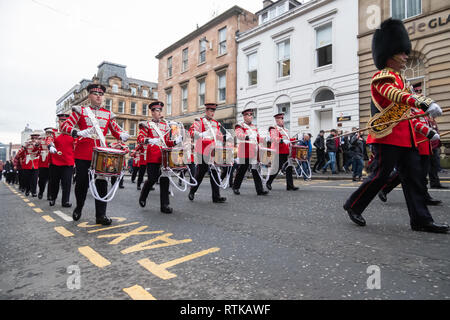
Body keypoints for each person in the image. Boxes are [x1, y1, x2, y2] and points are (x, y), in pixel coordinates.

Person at [343, 18, 448, 233]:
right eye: (402, 52)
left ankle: (421, 219)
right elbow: (397, 97)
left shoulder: (403, 81)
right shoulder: (381, 78)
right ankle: (353, 205)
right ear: (389, 54)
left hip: (407, 139)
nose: (405, 56)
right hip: (387, 137)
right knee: (380, 176)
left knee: (414, 178)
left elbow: (408, 115)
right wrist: (423, 101)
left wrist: (427, 131)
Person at [61, 84, 130, 225]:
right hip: (83, 154)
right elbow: (64, 126)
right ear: (89, 96)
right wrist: (77, 132)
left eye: (100, 94)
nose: (98, 96)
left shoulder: (108, 114)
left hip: (101, 154)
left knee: (102, 184)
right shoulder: (80, 111)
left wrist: (123, 135)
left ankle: (101, 215)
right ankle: (79, 206)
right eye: (94, 93)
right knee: (81, 183)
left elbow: (116, 130)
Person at [138, 101, 181, 213]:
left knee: (165, 179)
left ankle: (165, 205)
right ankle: (143, 195)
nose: (159, 112)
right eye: (157, 110)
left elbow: (167, 142)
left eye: (160, 110)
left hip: (164, 156)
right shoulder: (146, 125)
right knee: (152, 179)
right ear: (152, 112)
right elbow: (140, 139)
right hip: (152, 156)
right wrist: (149, 140)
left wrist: (175, 141)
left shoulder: (165, 126)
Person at [188, 103, 227, 203]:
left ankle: (216, 196)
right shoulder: (199, 121)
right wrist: (200, 134)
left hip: (213, 151)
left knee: (214, 172)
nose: (212, 113)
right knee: (201, 173)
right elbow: (191, 132)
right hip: (203, 150)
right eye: (210, 111)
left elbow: (218, 136)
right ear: (206, 111)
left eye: (213, 111)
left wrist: (223, 137)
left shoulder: (216, 123)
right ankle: (192, 191)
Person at [232, 108, 268, 196]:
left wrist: (265, 139)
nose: (251, 116)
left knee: (255, 170)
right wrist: (246, 136)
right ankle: (236, 187)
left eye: (252, 115)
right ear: (244, 116)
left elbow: (257, 138)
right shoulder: (240, 125)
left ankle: (260, 190)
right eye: (249, 115)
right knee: (242, 170)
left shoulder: (254, 127)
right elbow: (239, 134)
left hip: (254, 150)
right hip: (245, 150)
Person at [47, 114, 75, 207]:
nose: (63, 123)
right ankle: (53, 198)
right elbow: (49, 139)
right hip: (56, 162)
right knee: (54, 182)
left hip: (68, 162)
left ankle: (65, 201)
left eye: (65, 121)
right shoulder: (54, 132)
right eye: (62, 121)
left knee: (67, 183)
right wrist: (50, 146)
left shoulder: (73, 133)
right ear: (58, 122)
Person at [265, 113, 298, 191]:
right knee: (277, 168)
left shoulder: (286, 130)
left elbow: (289, 140)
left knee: (289, 168)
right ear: (277, 120)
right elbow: (274, 138)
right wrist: (282, 140)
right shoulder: (273, 128)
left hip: (287, 151)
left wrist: (296, 139)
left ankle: (290, 185)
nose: (283, 120)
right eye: (281, 119)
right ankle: (269, 182)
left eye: (283, 118)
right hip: (278, 151)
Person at [427, 117, 448, 189]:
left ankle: (435, 183)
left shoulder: (432, 119)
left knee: (434, 166)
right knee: (430, 166)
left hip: (435, 146)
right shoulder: (426, 119)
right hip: (430, 146)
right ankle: (432, 183)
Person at [21, 131, 41, 197]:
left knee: (34, 179)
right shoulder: (27, 145)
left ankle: (34, 192)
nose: (34, 140)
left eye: (36, 138)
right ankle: (27, 190)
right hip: (27, 164)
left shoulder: (40, 145)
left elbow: (39, 153)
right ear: (31, 139)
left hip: (36, 164)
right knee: (27, 179)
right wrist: (24, 147)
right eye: (33, 138)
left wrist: (37, 146)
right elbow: (20, 154)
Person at [37, 132, 51, 200]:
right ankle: (41, 192)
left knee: (51, 180)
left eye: (50, 133)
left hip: (51, 163)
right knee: (42, 180)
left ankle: (49, 195)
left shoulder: (53, 140)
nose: (49, 134)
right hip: (43, 163)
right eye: (48, 133)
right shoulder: (42, 142)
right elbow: (36, 151)